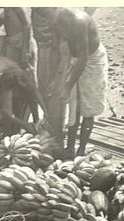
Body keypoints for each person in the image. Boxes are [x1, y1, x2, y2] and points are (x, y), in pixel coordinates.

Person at [51, 8, 108, 156]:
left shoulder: (80, 22)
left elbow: (84, 58)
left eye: (66, 34)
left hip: (92, 59)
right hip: (75, 58)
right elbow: (57, 52)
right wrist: (55, 78)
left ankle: (81, 150)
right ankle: (70, 148)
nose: (64, 36)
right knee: (74, 107)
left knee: (88, 107)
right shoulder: (57, 21)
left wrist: (67, 86)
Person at [0, 56, 48, 144]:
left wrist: (46, 112)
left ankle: (30, 124)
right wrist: (25, 125)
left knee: (28, 95)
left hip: (3, 68)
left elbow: (35, 91)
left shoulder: (21, 75)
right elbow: (7, 112)